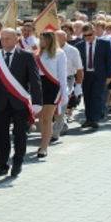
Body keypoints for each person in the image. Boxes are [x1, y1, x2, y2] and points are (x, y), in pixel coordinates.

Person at [0, 28, 42, 179]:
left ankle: (17, 162)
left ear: (16, 39)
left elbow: (35, 80)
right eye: (3, 38)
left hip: (19, 102)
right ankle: (2, 165)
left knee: (20, 134)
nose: (5, 41)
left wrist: (37, 102)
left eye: (8, 38)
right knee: (1, 135)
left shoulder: (26, 56)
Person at [72, 23, 111, 129]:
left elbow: (109, 61)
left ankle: (94, 119)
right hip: (86, 75)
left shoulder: (104, 44)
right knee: (87, 97)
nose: (87, 38)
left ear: (94, 32)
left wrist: (109, 76)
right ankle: (88, 119)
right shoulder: (79, 46)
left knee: (96, 97)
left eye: (89, 35)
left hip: (99, 74)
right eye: (85, 35)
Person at [33, 30, 67, 159]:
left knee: (47, 118)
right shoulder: (37, 54)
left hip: (52, 86)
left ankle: (44, 147)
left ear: (51, 40)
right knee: (40, 118)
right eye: (40, 39)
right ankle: (44, 139)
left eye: (44, 39)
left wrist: (64, 93)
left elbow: (62, 74)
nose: (41, 41)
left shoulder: (59, 53)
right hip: (38, 86)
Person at [53, 29, 82, 141]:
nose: (55, 41)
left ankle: (55, 133)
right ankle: (61, 125)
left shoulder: (73, 50)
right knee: (53, 105)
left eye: (58, 38)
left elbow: (79, 68)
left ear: (65, 39)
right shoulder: (49, 50)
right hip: (53, 79)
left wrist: (78, 85)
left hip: (68, 78)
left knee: (62, 104)